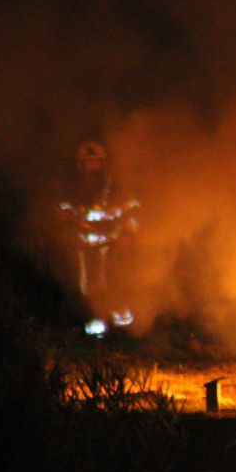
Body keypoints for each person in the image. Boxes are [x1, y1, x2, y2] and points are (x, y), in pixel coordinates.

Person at [58, 141, 140, 334]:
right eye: (87, 162)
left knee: (117, 279)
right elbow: (63, 212)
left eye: (96, 162)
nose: (92, 166)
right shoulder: (73, 188)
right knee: (90, 285)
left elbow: (132, 208)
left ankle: (124, 325)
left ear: (103, 164)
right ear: (80, 164)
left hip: (113, 243)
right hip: (86, 244)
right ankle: (97, 323)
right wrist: (69, 223)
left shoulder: (115, 186)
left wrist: (127, 235)